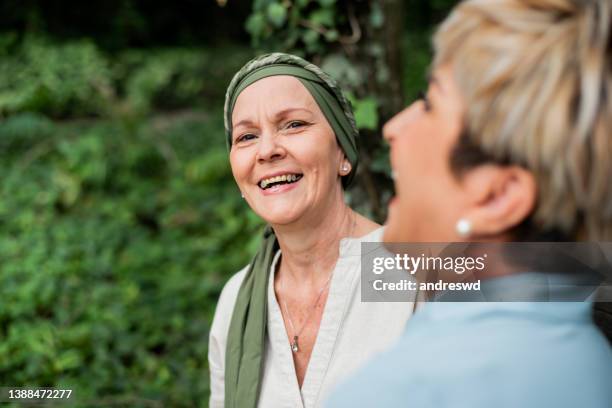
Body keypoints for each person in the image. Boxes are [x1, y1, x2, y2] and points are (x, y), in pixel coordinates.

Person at [327, 0, 612, 407]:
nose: (393, 128)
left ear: (498, 197)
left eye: (430, 104)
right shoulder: (590, 359)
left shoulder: (398, 393)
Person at [208, 53, 417, 408]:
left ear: (343, 154)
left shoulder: (414, 268)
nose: (267, 150)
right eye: (246, 136)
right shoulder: (235, 301)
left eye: (293, 125)